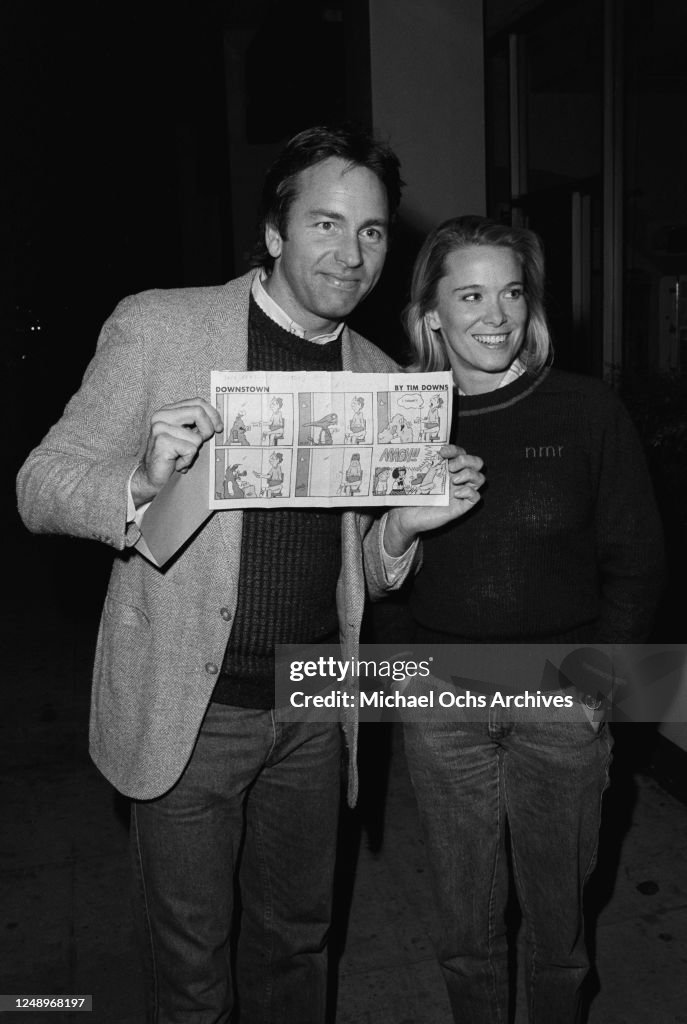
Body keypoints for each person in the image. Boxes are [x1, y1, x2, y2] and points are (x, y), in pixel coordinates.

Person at [15, 129, 484, 1024]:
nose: (350, 253)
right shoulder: (161, 325)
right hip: (193, 711)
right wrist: (140, 483)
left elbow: (371, 579)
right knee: (192, 968)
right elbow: (40, 484)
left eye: (374, 232)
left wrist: (402, 533)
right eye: (325, 222)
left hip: (312, 705)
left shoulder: (381, 379)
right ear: (274, 233)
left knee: (298, 943)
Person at [397, 215, 664, 1024]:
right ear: (431, 313)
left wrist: (600, 686)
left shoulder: (585, 410)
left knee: (557, 922)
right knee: (462, 922)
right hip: (440, 699)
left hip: (556, 695)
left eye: (511, 292)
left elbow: (637, 558)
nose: (495, 314)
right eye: (469, 293)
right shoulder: (402, 416)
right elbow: (367, 567)